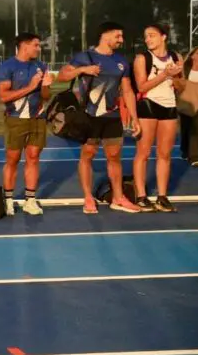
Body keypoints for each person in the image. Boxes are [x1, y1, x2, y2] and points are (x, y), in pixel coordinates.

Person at [57, 21, 142, 214]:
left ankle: (118, 198)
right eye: (118, 36)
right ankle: (88, 198)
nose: (121, 40)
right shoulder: (85, 57)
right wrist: (81, 70)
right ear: (105, 35)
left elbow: (127, 91)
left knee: (114, 156)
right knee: (88, 155)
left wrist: (134, 118)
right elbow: (61, 76)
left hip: (112, 117)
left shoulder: (121, 61)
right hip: (89, 116)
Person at [0, 32, 53, 216]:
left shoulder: (41, 66)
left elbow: (46, 96)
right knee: (12, 159)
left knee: (33, 157)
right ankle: (8, 200)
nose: (39, 48)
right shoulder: (8, 66)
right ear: (24, 45)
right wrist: (30, 86)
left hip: (37, 118)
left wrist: (45, 86)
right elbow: (3, 96)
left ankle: (30, 199)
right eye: (36, 45)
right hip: (15, 118)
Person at [131, 24, 181, 212]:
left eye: (151, 35)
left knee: (165, 154)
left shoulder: (176, 57)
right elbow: (142, 87)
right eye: (145, 36)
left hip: (169, 107)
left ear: (163, 37)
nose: (148, 39)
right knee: (143, 153)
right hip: (148, 106)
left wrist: (176, 77)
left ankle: (162, 196)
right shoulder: (142, 58)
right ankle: (141, 195)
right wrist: (165, 74)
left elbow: (181, 87)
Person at [180, 46, 198, 166]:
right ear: (192, 55)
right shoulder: (184, 69)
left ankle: (194, 156)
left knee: (197, 129)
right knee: (185, 128)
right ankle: (185, 150)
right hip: (186, 101)